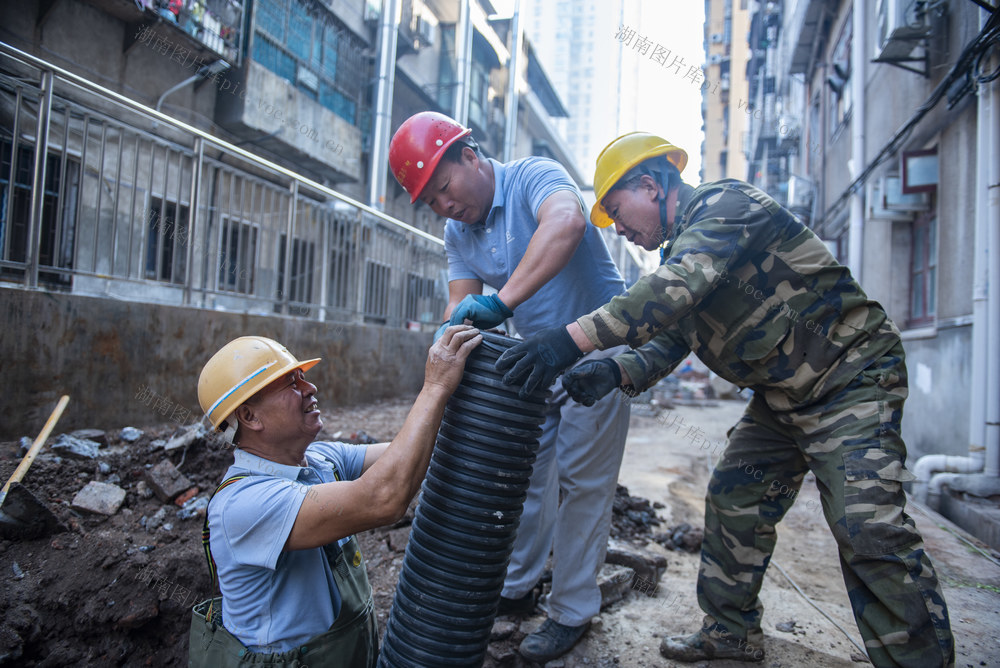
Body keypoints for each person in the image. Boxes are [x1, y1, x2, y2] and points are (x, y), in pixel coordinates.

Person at [496, 132, 955, 667]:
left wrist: (569, 340)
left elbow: (679, 284)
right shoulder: (683, 251)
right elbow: (672, 337)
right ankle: (730, 633)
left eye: (617, 211)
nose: (618, 228)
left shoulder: (725, 207)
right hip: (783, 398)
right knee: (736, 497)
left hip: (849, 379)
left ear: (650, 186)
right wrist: (614, 370)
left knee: (868, 527)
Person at [388, 111, 631, 662]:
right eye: (431, 201)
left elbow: (566, 224)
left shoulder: (533, 176)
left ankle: (571, 611)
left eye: (445, 186)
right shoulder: (458, 232)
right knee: (524, 472)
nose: (444, 205)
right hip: (534, 358)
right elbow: (460, 301)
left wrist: (501, 303)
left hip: (597, 346)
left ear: (469, 156)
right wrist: (449, 332)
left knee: (583, 482)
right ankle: (517, 585)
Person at [190, 327, 481, 667]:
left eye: (302, 377)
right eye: (291, 383)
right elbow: (384, 498)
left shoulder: (320, 460)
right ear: (249, 416)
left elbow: (409, 455)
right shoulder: (244, 504)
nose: (310, 388)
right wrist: (435, 386)